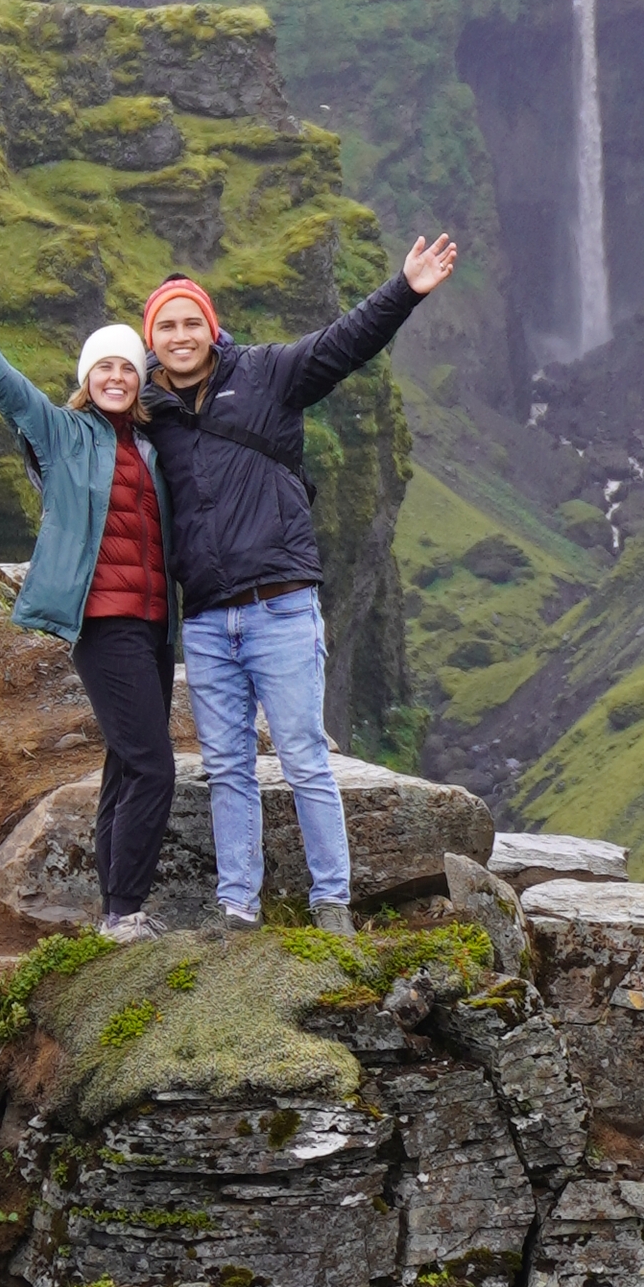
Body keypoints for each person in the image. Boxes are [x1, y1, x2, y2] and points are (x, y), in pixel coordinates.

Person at [140, 235, 458, 925]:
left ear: (211, 326)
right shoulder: (146, 414)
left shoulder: (265, 374)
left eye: (191, 321)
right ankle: (237, 907)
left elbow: (344, 343)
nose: (181, 335)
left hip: (280, 608)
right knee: (227, 768)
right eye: (167, 325)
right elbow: (68, 439)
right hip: (205, 622)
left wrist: (404, 287)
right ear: (150, 339)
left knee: (304, 759)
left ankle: (331, 901)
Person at [0, 270, 176, 943]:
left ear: (140, 380)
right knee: (156, 765)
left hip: (156, 626)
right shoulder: (62, 433)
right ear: (87, 376)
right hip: (103, 622)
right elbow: (2, 382)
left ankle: (115, 913)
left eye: (126, 368)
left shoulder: (154, 449)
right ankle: (127, 912)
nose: (114, 377)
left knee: (127, 764)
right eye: (103, 366)